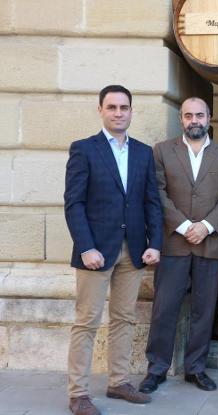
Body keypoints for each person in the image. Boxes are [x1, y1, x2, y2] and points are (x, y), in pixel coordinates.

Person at [64, 85, 163, 415]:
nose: (118, 112)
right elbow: (74, 203)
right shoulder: (83, 150)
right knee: (87, 322)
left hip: (133, 250)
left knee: (124, 318)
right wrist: (86, 247)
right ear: (101, 111)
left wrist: (155, 244)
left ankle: (118, 381)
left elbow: (151, 202)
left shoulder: (143, 152)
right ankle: (78, 393)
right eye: (112, 107)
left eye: (124, 107)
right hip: (96, 252)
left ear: (132, 111)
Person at [139, 97, 218, 394]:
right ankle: (156, 369)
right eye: (188, 116)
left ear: (209, 117)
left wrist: (206, 227)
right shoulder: (162, 151)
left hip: (210, 244)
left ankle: (195, 369)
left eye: (199, 115)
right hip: (174, 243)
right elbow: (157, 192)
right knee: (164, 308)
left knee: (203, 310)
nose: (194, 120)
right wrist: (184, 226)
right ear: (181, 119)